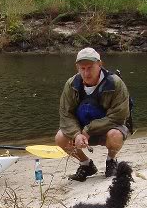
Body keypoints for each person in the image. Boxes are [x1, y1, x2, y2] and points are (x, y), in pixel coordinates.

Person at [55, 47, 131, 182]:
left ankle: (111, 160)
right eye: (82, 68)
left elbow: (119, 116)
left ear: (100, 65)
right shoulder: (71, 84)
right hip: (82, 133)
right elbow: (66, 115)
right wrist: (76, 134)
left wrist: (89, 130)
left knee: (115, 135)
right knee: (60, 138)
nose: (86, 72)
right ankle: (86, 164)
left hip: (108, 130)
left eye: (90, 67)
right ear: (77, 67)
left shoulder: (115, 83)